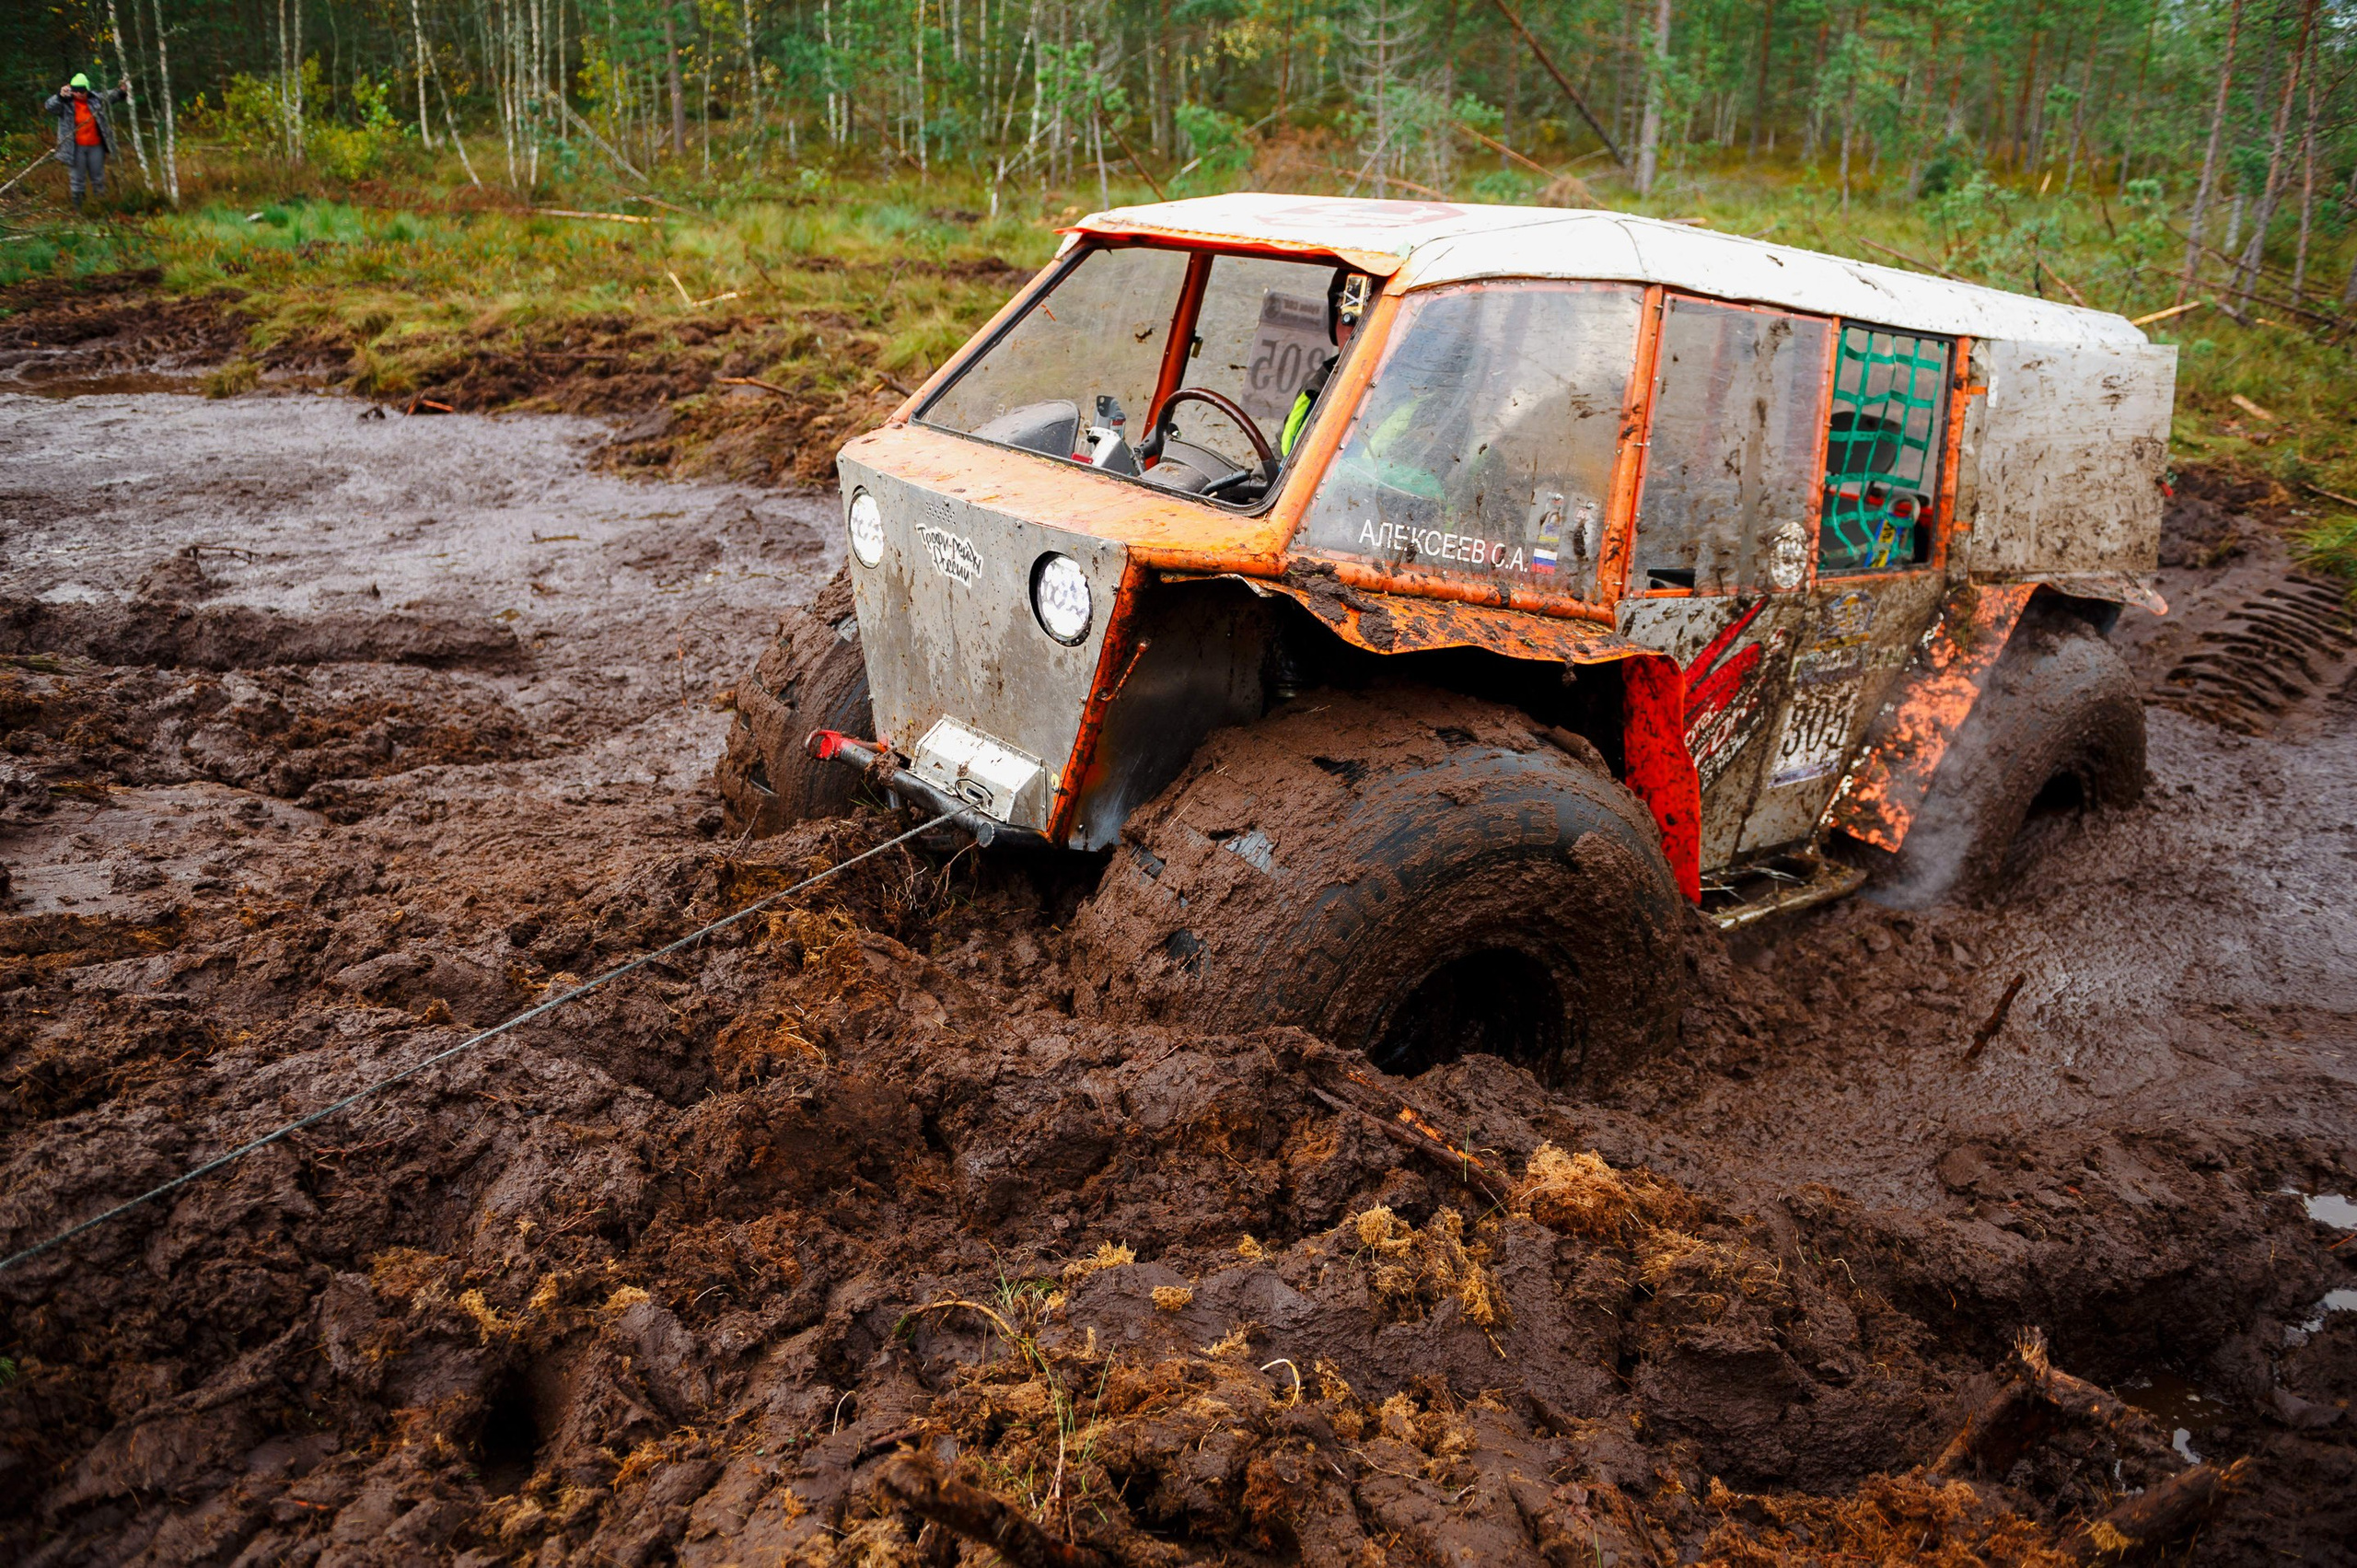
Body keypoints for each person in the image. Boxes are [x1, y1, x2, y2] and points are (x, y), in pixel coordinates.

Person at [1278, 268, 1372, 459]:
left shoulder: (1412, 398)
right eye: (1345, 313)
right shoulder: (1316, 388)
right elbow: (1275, 462)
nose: (1352, 330)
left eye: (1367, 315)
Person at [43, 74, 133, 213]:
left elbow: (110, 96)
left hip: (95, 146)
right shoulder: (64, 103)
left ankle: (101, 209)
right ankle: (80, 212)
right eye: (76, 90)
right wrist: (60, 96)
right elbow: (49, 106)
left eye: (82, 90)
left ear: (88, 89)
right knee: (77, 180)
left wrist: (121, 90)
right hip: (75, 148)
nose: (79, 93)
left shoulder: (95, 99)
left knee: (98, 179)